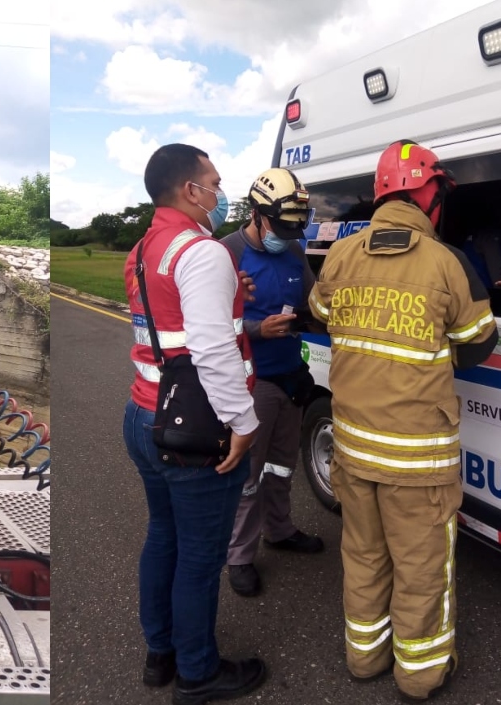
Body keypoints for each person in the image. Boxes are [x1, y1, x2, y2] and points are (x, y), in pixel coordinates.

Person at [308, 139, 498, 701]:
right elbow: (478, 343)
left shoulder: (341, 254)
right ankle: (420, 675)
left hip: (353, 448)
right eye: (440, 192)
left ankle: (364, 657)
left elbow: (321, 315)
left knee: (364, 555)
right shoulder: (447, 262)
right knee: (421, 567)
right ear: (427, 192)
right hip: (417, 459)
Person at [122, 142, 267, 705]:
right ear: (191, 190)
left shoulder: (144, 249)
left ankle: (160, 654)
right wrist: (243, 423)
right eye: (215, 182)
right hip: (195, 427)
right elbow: (211, 349)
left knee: (164, 535)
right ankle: (198, 674)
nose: (220, 192)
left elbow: (169, 317)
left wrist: (229, 294)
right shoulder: (202, 252)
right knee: (201, 557)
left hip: (144, 414)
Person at [219, 167, 325, 598]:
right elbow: (210, 326)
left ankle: (279, 530)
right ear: (257, 215)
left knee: (282, 465)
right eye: (280, 228)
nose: (287, 236)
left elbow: (312, 301)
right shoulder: (226, 252)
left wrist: (313, 316)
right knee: (248, 475)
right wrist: (258, 330)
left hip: (291, 375)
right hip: (252, 381)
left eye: (293, 229)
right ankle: (239, 556)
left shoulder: (294, 249)